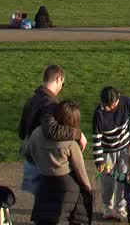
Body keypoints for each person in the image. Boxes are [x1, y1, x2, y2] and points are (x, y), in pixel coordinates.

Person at [19, 65, 88, 194]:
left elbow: (22, 131)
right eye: (63, 83)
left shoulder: (31, 100)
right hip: (44, 165)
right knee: (49, 207)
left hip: (30, 160)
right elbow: (52, 130)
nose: (62, 87)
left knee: (39, 207)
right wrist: (78, 134)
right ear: (58, 79)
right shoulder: (50, 104)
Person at [22, 101, 93, 225]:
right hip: (66, 187)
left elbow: (27, 151)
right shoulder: (71, 142)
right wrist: (88, 189)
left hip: (44, 183)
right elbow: (80, 170)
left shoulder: (37, 132)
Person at [93, 86, 130, 222]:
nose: (110, 108)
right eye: (107, 106)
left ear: (118, 97)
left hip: (125, 148)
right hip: (107, 151)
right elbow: (96, 137)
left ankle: (120, 207)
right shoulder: (99, 113)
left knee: (124, 178)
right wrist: (99, 160)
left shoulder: (127, 103)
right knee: (107, 181)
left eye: (113, 105)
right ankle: (107, 208)